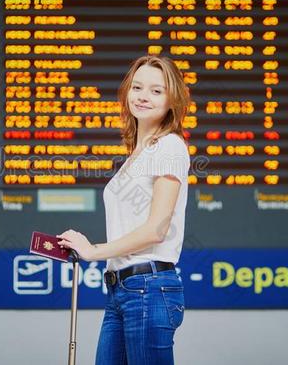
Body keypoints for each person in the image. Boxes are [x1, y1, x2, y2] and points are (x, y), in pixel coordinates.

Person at [57, 55, 191, 364]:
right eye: (138, 87)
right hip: (121, 290)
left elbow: (157, 228)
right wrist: (83, 246)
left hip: (148, 288)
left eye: (157, 91)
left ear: (173, 99)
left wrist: (94, 251)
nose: (143, 96)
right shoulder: (139, 154)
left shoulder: (169, 146)